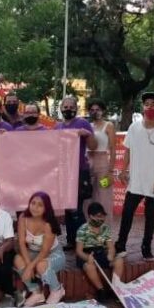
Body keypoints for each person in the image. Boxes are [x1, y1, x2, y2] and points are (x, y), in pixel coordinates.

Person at [115, 92, 154, 260]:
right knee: (127, 213)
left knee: (150, 217)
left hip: (153, 181)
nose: (150, 107)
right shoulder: (134, 127)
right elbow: (128, 150)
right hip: (136, 181)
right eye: (147, 104)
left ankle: (146, 246)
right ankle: (121, 244)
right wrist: (124, 170)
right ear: (143, 107)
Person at [54, 95, 97, 248]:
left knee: (76, 208)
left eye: (71, 107)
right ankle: (71, 240)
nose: (68, 109)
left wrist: (87, 134)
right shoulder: (57, 127)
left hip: (79, 170)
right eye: (65, 107)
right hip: (63, 172)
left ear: (76, 108)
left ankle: (85, 240)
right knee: (67, 208)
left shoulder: (82, 123)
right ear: (61, 109)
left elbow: (93, 146)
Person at [14, 191, 66, 306]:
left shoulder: (49, 224)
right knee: (17, 259)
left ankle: (57, 290)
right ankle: (37, 292)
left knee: (40, 265)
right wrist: (28, 265)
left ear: (46, 208)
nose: (35, 207)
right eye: (33, 203)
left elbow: (44, 251)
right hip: (32, 252)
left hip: (53, 254)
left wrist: (30, 267)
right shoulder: (23, 217)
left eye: (40, 205)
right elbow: (21, 242)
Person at [76, 202, 126, 301]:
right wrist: (87, 258)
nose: (101, 219)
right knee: (89, 266)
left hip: (101, 253)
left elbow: (111, 247)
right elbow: (79, 251)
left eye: (103, 216)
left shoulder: (105, 228)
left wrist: (111, 255)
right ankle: (101, 290)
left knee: (119, 260)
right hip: (87, 254)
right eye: (98, 216)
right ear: (91, 216)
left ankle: (115, 289)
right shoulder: (82, 229)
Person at [87, 99, 116, 219]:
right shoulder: (88, 125)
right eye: (92, 110)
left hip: (103, 163)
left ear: (103, 111)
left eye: (97, 109)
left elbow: (113, 149)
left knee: (103, 196)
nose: (95, 112)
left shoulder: (108, 125)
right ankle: (88, 228)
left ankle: (105, 230)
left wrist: (110, 171)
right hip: (88, 161)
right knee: (87, 196)